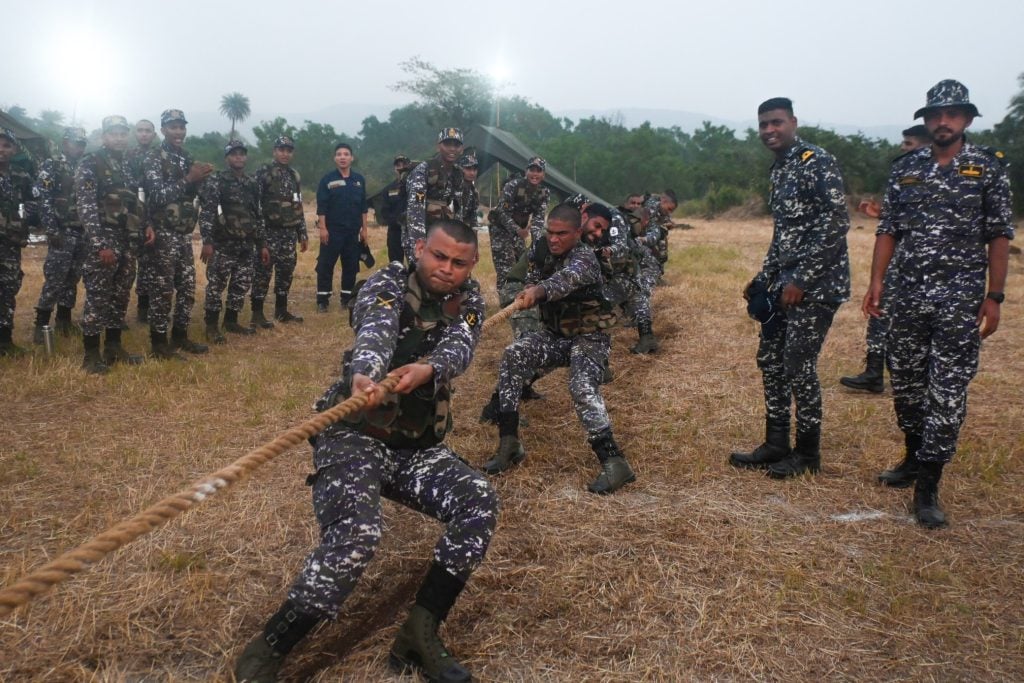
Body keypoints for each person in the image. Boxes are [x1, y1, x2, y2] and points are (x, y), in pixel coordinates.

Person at [233, 219, 496, 683]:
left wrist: (430, 367)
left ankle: (420, 631)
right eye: (438, 256)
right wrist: (366, 374)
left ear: (471, 264)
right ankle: (273, 644)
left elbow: (462, 344)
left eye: (458, 262)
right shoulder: (389, 281)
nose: (446, 269)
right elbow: (375, 327)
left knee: (478, 500)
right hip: (354, 435)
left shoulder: (469, 298)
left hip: (413, 446)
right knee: (358, 533)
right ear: (419, 248)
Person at [864, 80, 1013, 528]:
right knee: (907, 387)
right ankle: (912, 457)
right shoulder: (907, 168)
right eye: (934, 115)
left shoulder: (986, 167)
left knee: (946, 393)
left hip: (959, 301)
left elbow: (1000, 235)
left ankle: (928, 486)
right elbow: (888, 228)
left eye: (951, 114)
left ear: (966, 119)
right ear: (926, 121)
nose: (942, 122)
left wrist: (995, 296)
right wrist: (876, 282)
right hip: (907, 296)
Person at [729, 97, 851, 479]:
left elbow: (836, 224)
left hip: (816, 287)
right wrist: (764, 278)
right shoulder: (779, 170)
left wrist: (802, 280)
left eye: (776, 123)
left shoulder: (817, 162)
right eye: (763, 124)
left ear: (793, 122)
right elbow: (784, 235)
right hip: (784, 284)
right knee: (770, 361)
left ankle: (808, 452)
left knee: (799, 365)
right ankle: (776, 441)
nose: (769, 130)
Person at [482, 203, 636, 495]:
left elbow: (563, 281)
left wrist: (537, 292)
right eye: (550, 232)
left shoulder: (586, 258)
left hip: (590, 338)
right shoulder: (541, 249)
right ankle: (509, 442)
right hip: (555, 335)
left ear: (577, 232)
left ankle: (616, 463)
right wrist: (527, 287)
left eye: (561, 234)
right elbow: (532, 274)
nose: (553, 239)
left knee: (581, 385)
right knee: (514, 355)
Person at [839, 124, 932, 393]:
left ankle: (918, 376)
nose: (903, 148)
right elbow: (902, 218)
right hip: (897, 260)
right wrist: (881, 214)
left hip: (927, 268)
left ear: (926, 144)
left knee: (918, 321)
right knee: (879, 311)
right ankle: (873, 372)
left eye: (909, 143)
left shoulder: (945, 174)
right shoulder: (905, 171)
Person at [75, 116, 147, 373]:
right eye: (113, 133)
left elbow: (134, 202)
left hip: (127, 241)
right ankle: (91, 355)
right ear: (104, 136)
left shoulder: (128, 165)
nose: (119, 138)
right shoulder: (91, 162)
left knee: (120, 296)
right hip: (104, 240)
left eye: (122, 133)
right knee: (98, 297)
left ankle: (114, 347)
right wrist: (99, 244)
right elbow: (86, 206)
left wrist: (144, 225)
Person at [142, 109, 212, 359]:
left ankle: (180, 336)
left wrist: (202, 178)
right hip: (162, 233)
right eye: (173, 127)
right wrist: (188, 178)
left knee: (187, 287)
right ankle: (159, 344)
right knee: (162, 290)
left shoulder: (187, 157)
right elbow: (156, 195)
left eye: (182, 127)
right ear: (163, 130)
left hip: (183, 235)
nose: (179, 132)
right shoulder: (153, 157)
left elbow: (196, 193)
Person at [199, 140, 270, 343]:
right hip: (223, 244)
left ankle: (231, 321)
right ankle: (211, 326)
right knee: (216, 285)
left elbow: (258, 215)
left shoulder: (252, 183)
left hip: (246, 244)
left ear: (245, 157)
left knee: (241, 284)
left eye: (241, 154)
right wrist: (207, 241)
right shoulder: (217, 181)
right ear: (227, 158)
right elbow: (208, 212)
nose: (238, 157)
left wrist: (262, 244)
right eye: (233, 154)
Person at [32, 127, 88, 342]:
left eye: (82, 144)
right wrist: (52, 230)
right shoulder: (52, 164)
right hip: (62, 232)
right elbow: (44, 199)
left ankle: (64, 320)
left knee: (73, 278)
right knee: (55, 278)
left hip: (81, 232)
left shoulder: (84, 166)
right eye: (75, 143)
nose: (79, 147)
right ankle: (41, 324)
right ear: (65, 143)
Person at [252, 135, 308, 327]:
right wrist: (259, 237)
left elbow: (297, 204)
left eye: (288, 150)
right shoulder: (263, 173)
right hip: (269, 232)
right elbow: (256, 204)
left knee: (286, 272)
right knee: (262, 273)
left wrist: (302, 232)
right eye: (281, 150)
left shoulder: (294, 175)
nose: (285, 154)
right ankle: (257, 314)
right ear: (274, 151)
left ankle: (281, 311)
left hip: (288, 233)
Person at [315, 142, 367, 311]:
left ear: (352, 158)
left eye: (346, 154)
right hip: (332, 231)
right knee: (325, 265)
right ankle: (323, 300)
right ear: (334, 158)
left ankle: (347, 298)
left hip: (352, 232)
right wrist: (323, 228)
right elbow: (321, 206)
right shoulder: (327, 180)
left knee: (351, 265)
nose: (342, 157)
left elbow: (363, 207)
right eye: (339, 154)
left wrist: (364, 229)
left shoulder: (359, 180)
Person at [0, 127, 36, 357]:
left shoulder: (21, 176)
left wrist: (21, 218)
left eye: (7, 145)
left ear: (14, 149)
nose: (1, 150)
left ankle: (5, 341)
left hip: (10, 244)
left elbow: (35, 203)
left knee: (7, 289)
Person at [488, 156, 549, 290]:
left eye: (538, 171)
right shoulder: (513, 186)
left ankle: (517, 300)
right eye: (532, 170)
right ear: (526, 171)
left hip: (519, 232)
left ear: (543, 174)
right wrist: (517, 230)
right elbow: (502, 212)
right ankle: (504, 303)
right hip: (501, 230)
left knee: (521, 266)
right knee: (506, 268)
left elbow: (538, 218)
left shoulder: (543, 192)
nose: (535, 174)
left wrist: (536, 240)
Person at [403, 128, 464, 261]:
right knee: (419, 276)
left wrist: (460, 240)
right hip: (420, 234)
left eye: (456, 145)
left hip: (442, 235)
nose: (452, 149)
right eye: (447, 144)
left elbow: (458, 210)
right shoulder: (424, 169)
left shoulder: (458, 174)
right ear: (438, 146)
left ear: (462, 149)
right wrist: (419, 243)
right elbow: (415, 210)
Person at [127, 118, 159, 323]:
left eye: (148, 131)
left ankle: (144, 309)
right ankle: (115, 313)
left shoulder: (160, 156)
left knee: (151, 266)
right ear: (135, 134)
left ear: (154, 134)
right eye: (140, 130)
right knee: (126, 267)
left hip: (154, 220)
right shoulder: (127, 156)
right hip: (130, 219)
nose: (144, 134)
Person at [378, 154, 412, 263]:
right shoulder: (388, 190)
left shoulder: (417, 187)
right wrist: (399, 221)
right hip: (395, 232)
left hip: (413, 232)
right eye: (398, 165)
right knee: (396, 266)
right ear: (394, 168)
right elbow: (384, 212)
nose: (401, 167)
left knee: (415, 266)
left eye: (404, 164)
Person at [638, 190, 678, 280]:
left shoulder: (664, 211)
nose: (669, 212)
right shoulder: (650, 209)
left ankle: (658, 275)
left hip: (653, 235)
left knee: (662, 251)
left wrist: (669, 225)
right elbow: (649, 228)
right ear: (663, 202)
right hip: (643, 235)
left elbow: (665, 222)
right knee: (650, 253)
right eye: (669, 209)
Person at [455, 148, 480, 227]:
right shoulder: (453, 187)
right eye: (468, 169)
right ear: (460, 168)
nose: (472, 173)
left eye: (474, 169)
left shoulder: (474, 192)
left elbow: (473, 217)